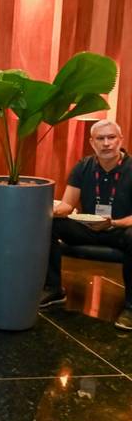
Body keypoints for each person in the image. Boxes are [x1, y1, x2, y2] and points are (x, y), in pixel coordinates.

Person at [43, 120, 132, 330]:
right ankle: (54, 289)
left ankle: (131, 306)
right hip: (88, 227)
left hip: (120, 229)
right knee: (49, 226)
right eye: (100, 138)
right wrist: (47, 213)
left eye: (111, 137)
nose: (106, 143)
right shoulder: (83, 166)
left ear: (120, 140)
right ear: (92, 142)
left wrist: (113, 223)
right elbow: (67, 205)